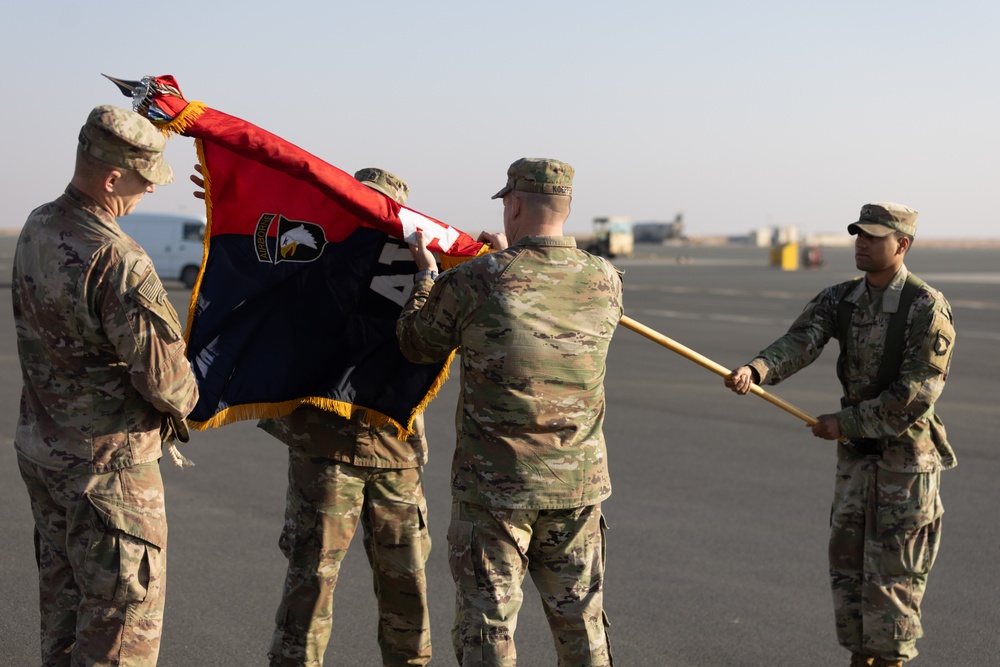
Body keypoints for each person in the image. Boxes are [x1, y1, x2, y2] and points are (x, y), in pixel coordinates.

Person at [397, 158, 623, 667]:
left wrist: (428, 280)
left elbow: (417, 343)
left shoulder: (478, 279)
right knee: (582, 626)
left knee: (488, 626)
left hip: (496, 489)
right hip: (576, 488)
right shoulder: (605, 278)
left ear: (514, 204)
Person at [723, 202, 955, 667]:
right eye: (858, 235)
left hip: (903, 469)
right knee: (850, 581)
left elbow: (914, 395)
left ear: (902, 245)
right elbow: (801, 339)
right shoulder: (841, 299)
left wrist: (843, 423)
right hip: (856, 464)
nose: (861, 243)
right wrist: (758, 368)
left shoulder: (925, 307)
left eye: (873, 237)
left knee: (893, 585)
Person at [12, 105, 199, 666]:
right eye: (143, 182)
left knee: (65, 627)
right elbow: (168, 385)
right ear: (113, 177)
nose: (145, 194)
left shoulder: (38, 224)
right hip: (109, 477)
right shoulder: (118, 257)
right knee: (119, 635)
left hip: (47, 455)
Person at [259, 168, 433, 667]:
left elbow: (426, 338)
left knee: (407, 588)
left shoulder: (424, 267)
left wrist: (434, 273)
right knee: (310, 584)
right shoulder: (313, 259)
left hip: (395, 454)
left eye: (382, 210)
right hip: (325, 450)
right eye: (362, 205)